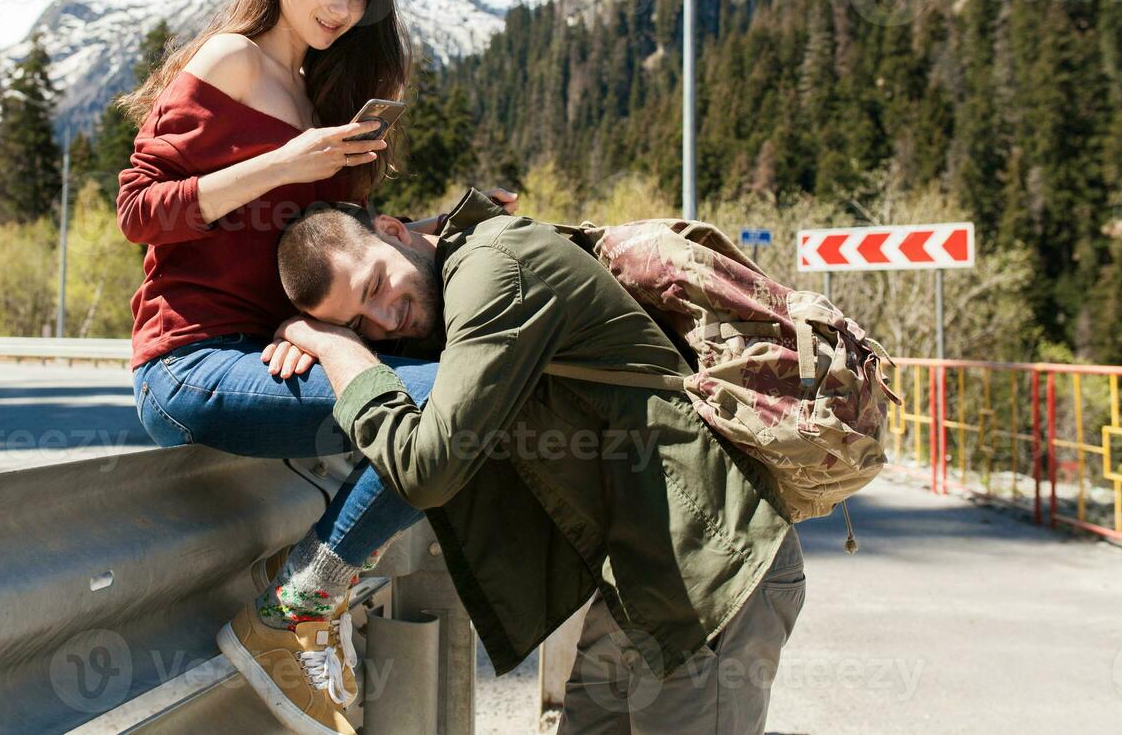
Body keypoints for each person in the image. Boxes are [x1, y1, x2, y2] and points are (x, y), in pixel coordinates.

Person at [114, 0, 516, 735]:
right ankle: (293, 613)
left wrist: (442, 231)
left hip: (269, 353)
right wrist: (283, 162)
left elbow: (318, 252)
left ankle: (300, 606)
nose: (340, 7)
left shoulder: (323, 96)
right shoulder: (229, 61)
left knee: (473, 387)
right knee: (447, 399)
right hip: (186, 362)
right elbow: (139, 211)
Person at [268, 187, 806, 734]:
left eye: (376, 286)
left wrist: (335, 347)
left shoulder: (493, 270)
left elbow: (428, 470)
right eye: (359, 324)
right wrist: (318, 337)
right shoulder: (452, 279)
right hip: (639, 587)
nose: (385, 319)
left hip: (714, 576)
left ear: (394, 230)